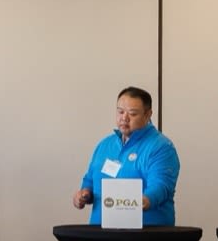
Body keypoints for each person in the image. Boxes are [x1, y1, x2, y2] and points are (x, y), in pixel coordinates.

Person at [72, 86, 180, 227]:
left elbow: (161, 185)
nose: (124, 118)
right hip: (101, 234)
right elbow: (90, 179)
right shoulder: (105, 145)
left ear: (148, 115)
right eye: (120, 112)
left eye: (132, 114)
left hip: (145, 235)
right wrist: (84, 194)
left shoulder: (161, 146)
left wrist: (144, 200)